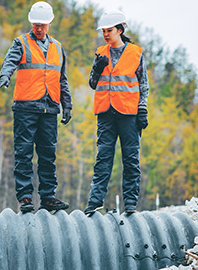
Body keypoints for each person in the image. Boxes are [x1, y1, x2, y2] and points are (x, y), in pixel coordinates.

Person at [0, 1, 72, 213]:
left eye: (43, 25)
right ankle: (25, 198)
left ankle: (47, 197)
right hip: (25, 107)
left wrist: (67, 105)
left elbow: (61, 79)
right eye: (36, 24)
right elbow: (10, 62)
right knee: (24, 154)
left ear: (49, 24)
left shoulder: (57, 47)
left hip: (49, 107)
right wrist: (4, 77)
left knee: (48, 154)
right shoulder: (21, 43)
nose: (39, 28)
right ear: (31, 22)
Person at [84, 9, 149, 216]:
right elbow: (93, 83)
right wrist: (96, 68)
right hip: (105, 114)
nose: (105, 34)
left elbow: (143, 85)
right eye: (103, 31)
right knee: (103, 160)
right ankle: (94, 203)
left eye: (109, 30)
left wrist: (142, 110)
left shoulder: (135, 53)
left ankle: (130, 203)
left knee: (131, 160)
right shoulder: (100, 53)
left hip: (129, 115)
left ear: (119, 30)